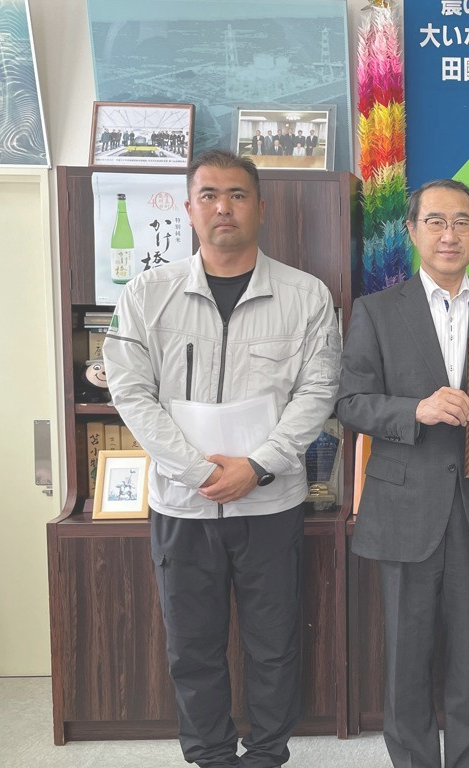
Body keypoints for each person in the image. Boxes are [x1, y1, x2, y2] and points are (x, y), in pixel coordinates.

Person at [103, 149, 341, 768]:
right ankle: (209, 755)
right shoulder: (146, 293)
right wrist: (199, 471)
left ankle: (266, 754)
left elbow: (317, 392)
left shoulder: (306, 295)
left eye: (236, 195)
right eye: (208, 195)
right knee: (192, 647)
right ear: (189, 209)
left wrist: (257, 466)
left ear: (260, 207)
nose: (223, 207)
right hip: (183, 505)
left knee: (274, 645)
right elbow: (130, 391)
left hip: (270, 504)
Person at [336, 178, 469, 768]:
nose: (450, 234)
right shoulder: (376, 310)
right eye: (436, 222)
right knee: (407, 659)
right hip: (404, 508)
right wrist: (414, 410)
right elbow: (350, 402)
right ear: (413, 231)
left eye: (463, 222)